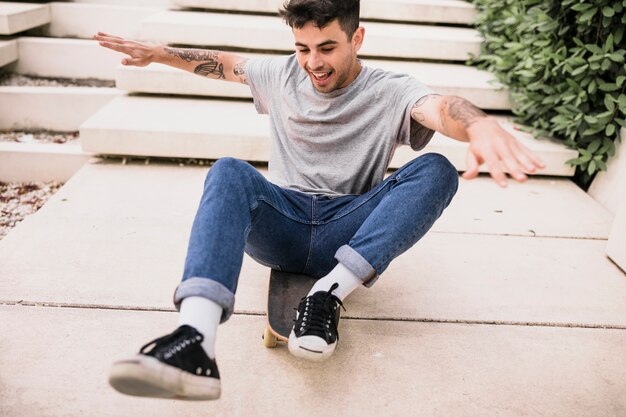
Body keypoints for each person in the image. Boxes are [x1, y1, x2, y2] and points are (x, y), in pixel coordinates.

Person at [96, 0, 544, 401]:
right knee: (229, 170)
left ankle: (328, 294)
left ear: (357, 37)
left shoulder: (392, 89)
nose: (313, 62)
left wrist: (479, 125)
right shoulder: (280, 75)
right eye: (302, 48)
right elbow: (223, 63)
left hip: (347, 225)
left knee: (437, 169)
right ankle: (195, 339)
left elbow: (439, 107)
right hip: (281, 222)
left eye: (327, 48)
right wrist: (158, 54)